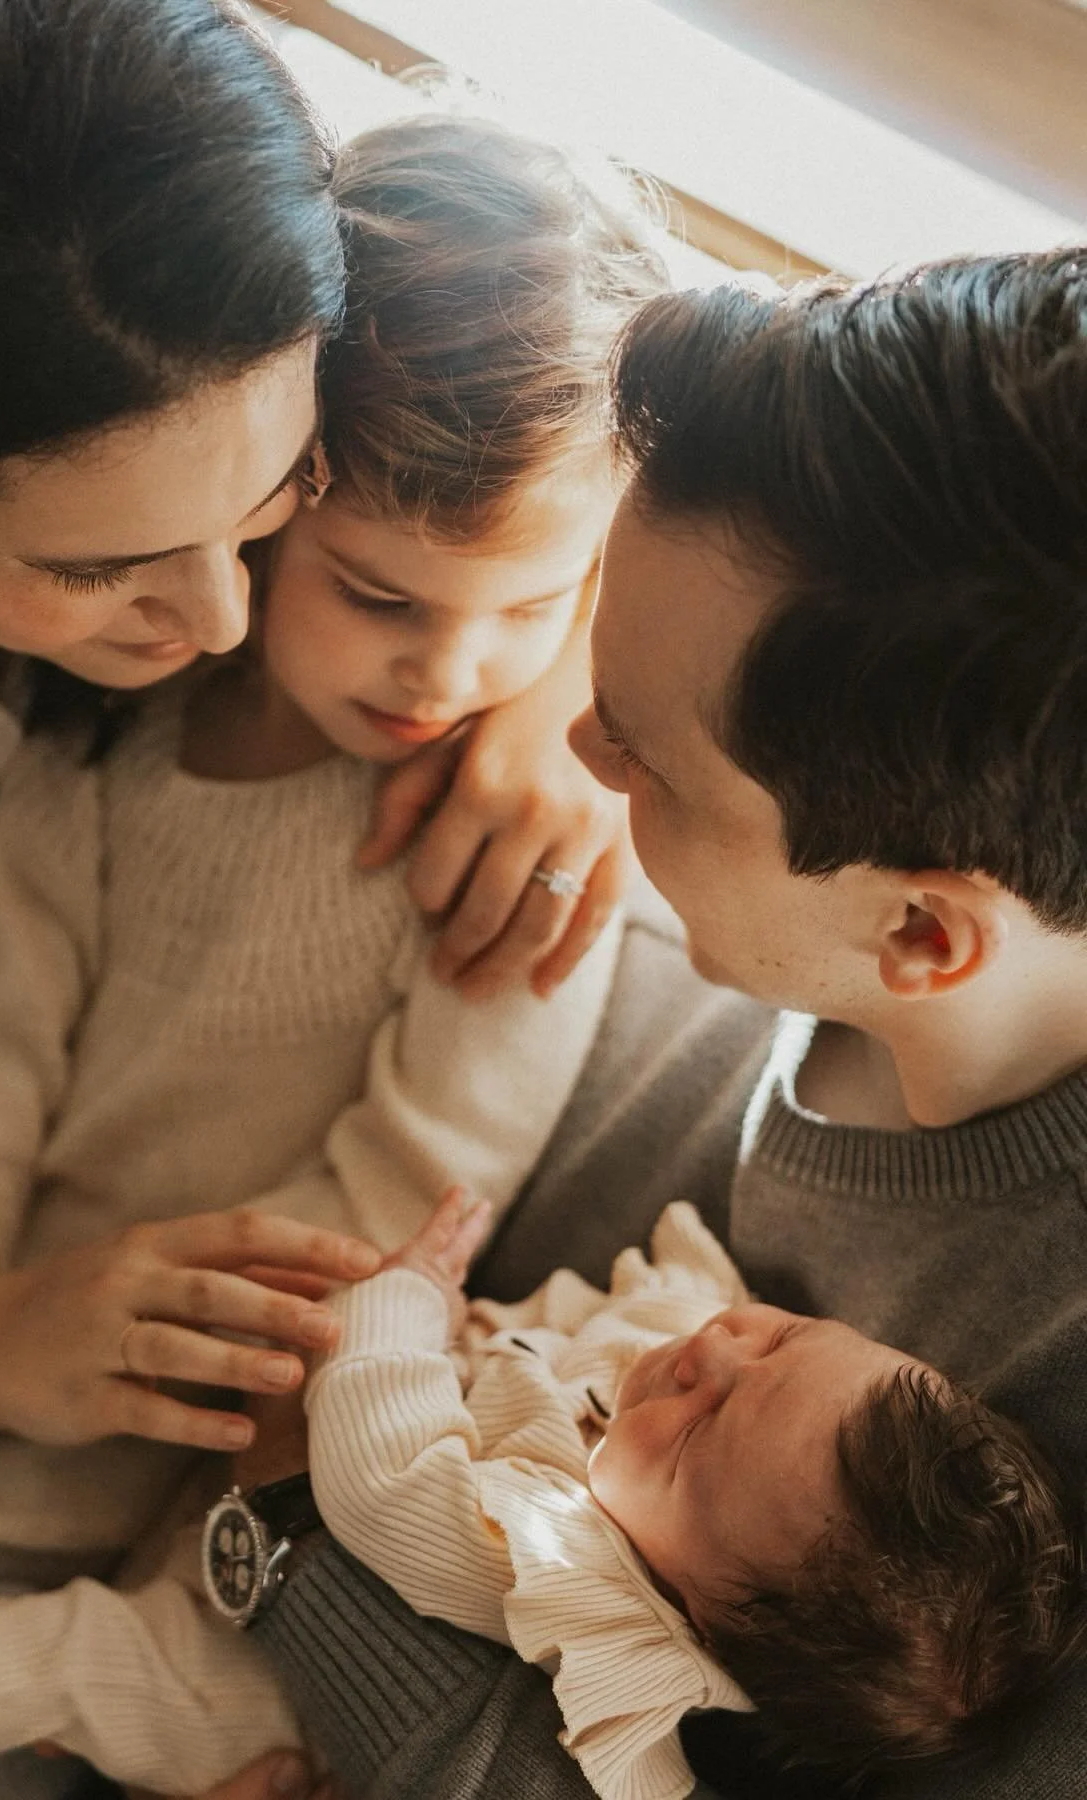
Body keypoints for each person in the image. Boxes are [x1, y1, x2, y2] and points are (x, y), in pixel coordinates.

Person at [0, 3, 627, 1794]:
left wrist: (578, 702)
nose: (224, 630)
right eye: (102, 567)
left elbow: (568, 339)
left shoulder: (214, 230)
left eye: (264, 508)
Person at [206, 247, 1087, 1800]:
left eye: (646, 756)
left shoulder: (1036, 1363)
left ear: (922, 933)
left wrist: (279, 1532)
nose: (571, 741)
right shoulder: (822, 908)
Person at [0, 1190, 1084, 1799]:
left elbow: (380, 1485)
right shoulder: (705, 1432)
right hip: (265, 1517)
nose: (716, 1350)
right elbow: (585, 1330)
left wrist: (401, 1309)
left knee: (82, 1665)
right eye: (783, 1337)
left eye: (703, 1421)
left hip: (254, 1695)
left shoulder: (565, 1571)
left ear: (696, 1622)